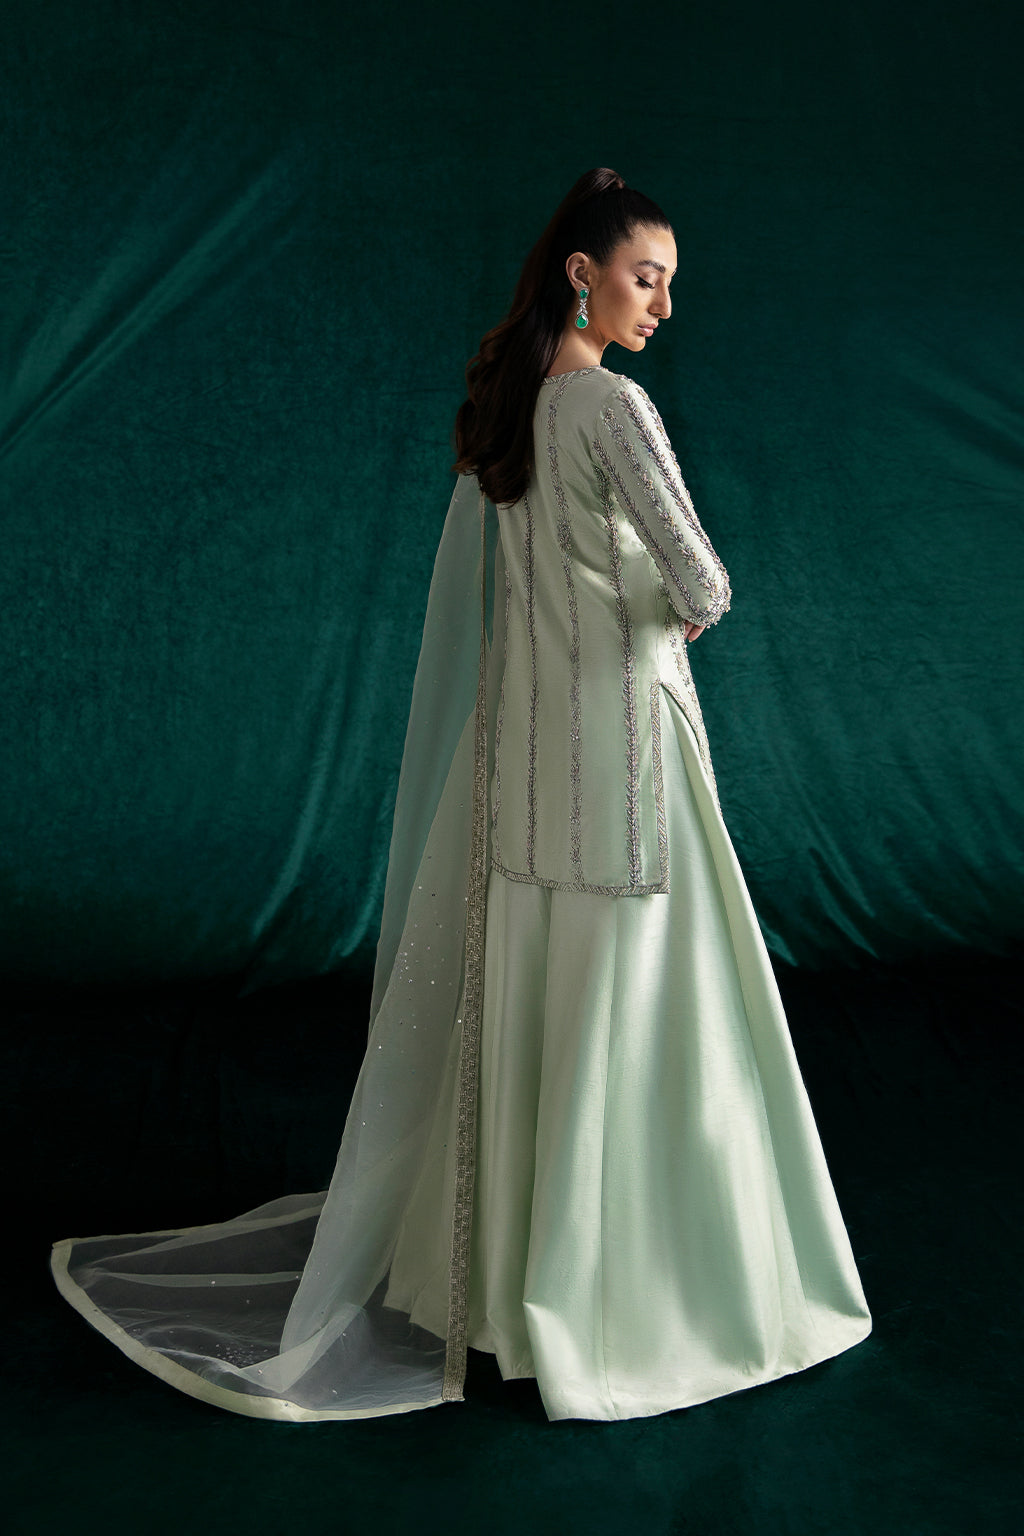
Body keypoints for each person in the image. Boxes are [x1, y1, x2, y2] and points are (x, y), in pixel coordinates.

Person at [51, 168, 872, 1424]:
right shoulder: (612, 407)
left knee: (536, 994)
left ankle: (498, 1287)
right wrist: (663, 603)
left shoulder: (512, 411)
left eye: (666, 284)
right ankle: (628, 1292)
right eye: (645, 277)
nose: (661, 305)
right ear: (581, 275)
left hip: (525, 756)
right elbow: (704, 585)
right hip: (624, 752)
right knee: (641, 1000)